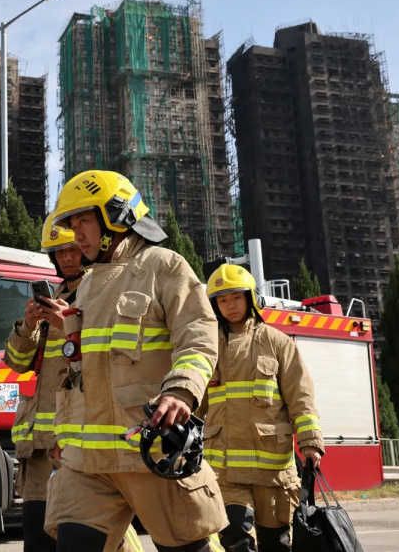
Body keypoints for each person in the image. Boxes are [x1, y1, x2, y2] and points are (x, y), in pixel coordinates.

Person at [44, 170, 227, 552]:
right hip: (87, 463)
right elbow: (82, 369)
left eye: (83, 221)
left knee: (188, 547)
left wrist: (181, 390)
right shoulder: (89, 283)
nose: (76, 234)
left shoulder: (165, 266)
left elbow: (198, 334)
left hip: (150, 448)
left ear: (116, 215)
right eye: (72, 223)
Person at [3, 215, 144, 552]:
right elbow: (17, 363)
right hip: (41, 442)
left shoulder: (102, 293)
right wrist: (28, 327)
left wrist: (70, 324)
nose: (66, 257)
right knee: (38, 538)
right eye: (59, 252)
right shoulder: (53, 297)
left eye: (71, 250)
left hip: (82, 437)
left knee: (97, 536)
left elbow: (107, 360)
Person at [203, 264, 324, 552]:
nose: (229, 305)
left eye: (235, 297)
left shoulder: (277, 343)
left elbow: (301, 396)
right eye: (222, 300)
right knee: (235, 536)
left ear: (250, 298)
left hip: (271, 470)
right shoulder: (207, 348)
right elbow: (194, 398)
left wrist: (310, 442)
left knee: (276, 544)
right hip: (226, 469)